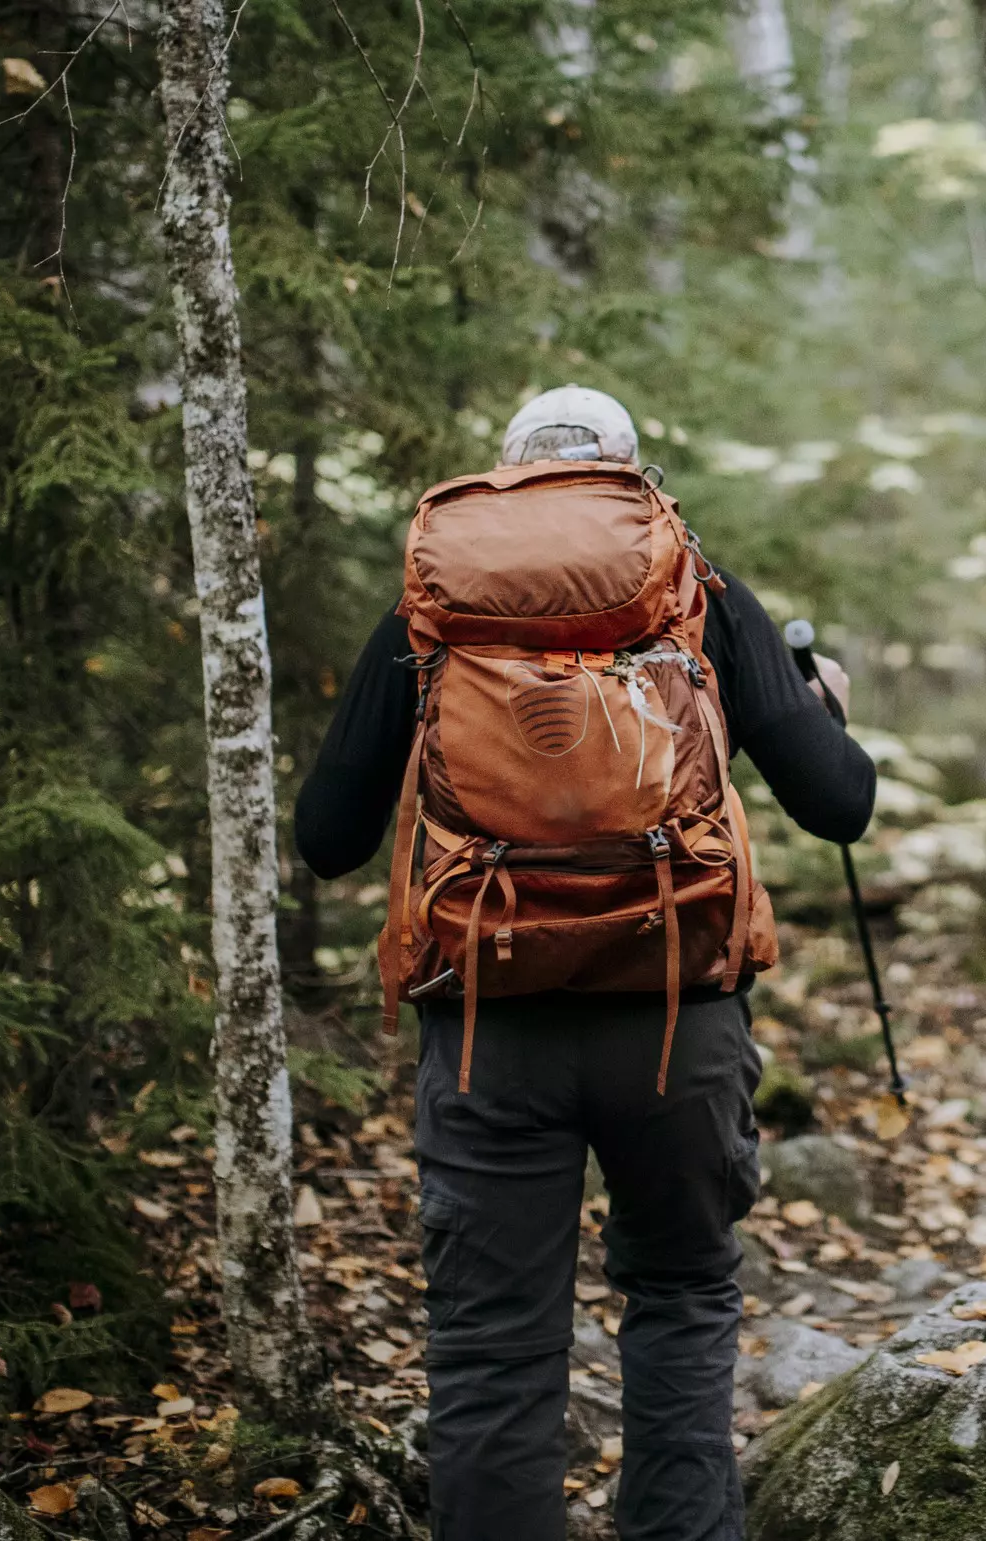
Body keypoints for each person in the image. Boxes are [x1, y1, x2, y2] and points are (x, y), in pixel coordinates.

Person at [295, 386, 875, 1541]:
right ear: (632, 479)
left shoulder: (431, 611)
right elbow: (839, 805)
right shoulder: (697, 591)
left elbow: (326, 838)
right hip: (676, 1012)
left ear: (508, 476)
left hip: (488, 1020)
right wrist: (823, 713)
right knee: (682, 1292)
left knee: (492, 1340)